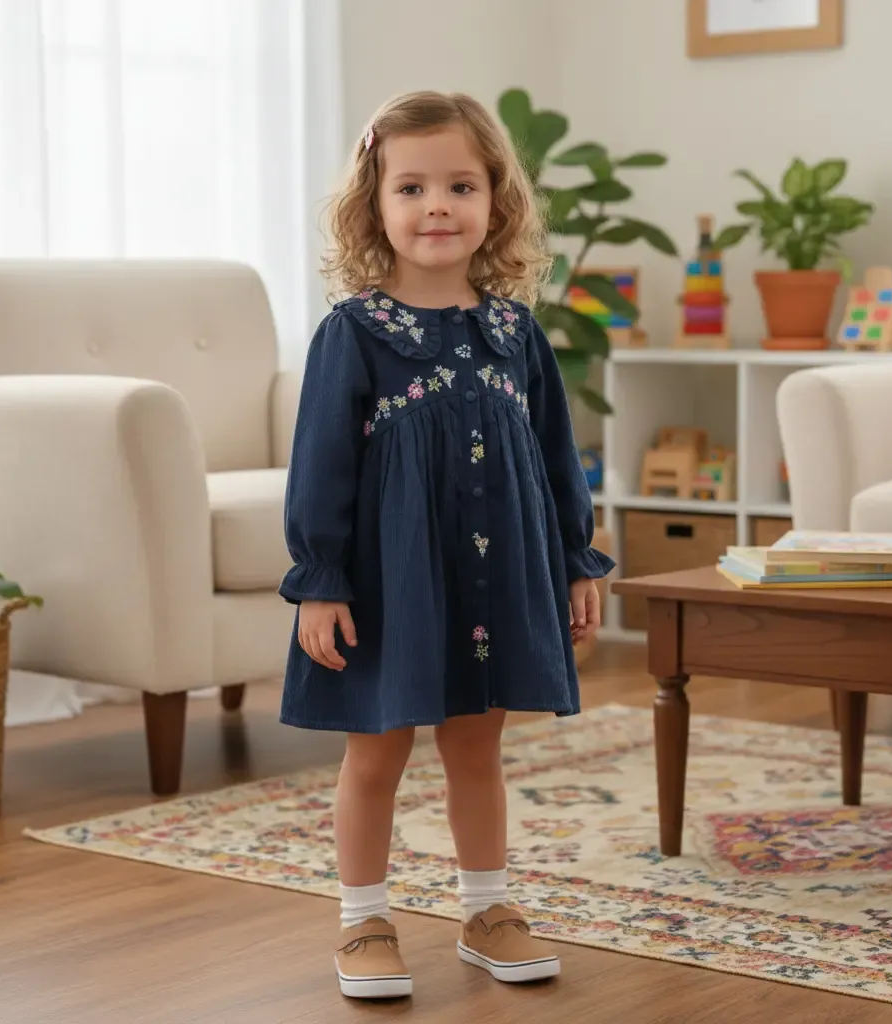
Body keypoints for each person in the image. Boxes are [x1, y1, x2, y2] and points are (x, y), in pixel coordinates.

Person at [278, 89, 615, 1000]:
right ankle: (364, 923)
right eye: (412, 187)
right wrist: (321, 581)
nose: (437, 206)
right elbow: (319, 470)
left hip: (495, 578)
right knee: (377, 751)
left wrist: (576, 562)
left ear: (495, 202)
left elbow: (556, 458)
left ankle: (489, 910)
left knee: (477, 744)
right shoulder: (353, 335)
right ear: (373, 206)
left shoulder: (516, 334)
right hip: (389, 585)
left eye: (461, 185)